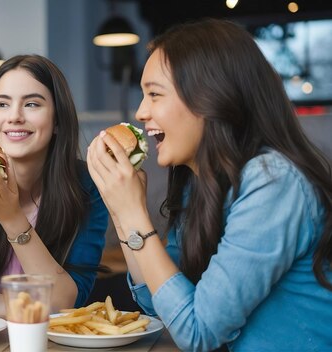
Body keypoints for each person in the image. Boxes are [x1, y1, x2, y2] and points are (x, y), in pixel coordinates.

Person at [87, 19, 332, 350]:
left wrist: (134, 214)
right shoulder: (200, 183)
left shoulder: (273, 181)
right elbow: (160, 305)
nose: (142, 111)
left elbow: (197, 331)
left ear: (210, 97)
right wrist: (120, 210)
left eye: (154, 94)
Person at [0, 55, 109, 317]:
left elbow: (67, 300)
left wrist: (11, 217)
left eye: (32, 104)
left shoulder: (87, 185)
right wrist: (40, 308)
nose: (14, 117)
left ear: (58, 120)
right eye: (2, 104)